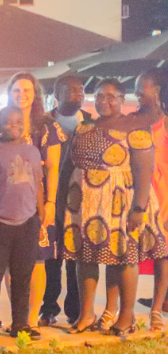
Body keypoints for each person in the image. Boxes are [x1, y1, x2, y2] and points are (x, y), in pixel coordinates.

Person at [64, 79, 168, 336]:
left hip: (121, 203)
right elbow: (69, 164)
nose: (104, 102)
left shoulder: (136, 126)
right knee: (84, 257)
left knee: (125, 257)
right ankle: (86, 314)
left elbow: (143, 171)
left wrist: (138, 208)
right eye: (99, 96)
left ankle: (126, 317)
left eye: (111, 97)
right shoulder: (84, 127)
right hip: (85, 203)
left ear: (123, 99)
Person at [0, 73, 64, 331]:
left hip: (38, 204)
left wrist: (51, 203)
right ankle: (18, 318)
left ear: (35, 94)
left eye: (27, 90)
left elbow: (53, 167)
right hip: (5, 206)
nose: (21, 95)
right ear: (9, 93)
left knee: (37, 262)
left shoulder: (47, 127)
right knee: (12, 264)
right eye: (16, 91)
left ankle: (32, 318)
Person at [0, 106, 45, 342]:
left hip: (27, 223)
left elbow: (38, 185)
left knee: (22, 277)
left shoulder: (33, 151)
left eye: (18, 121)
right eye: (7, 122)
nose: (13, 125)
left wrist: (40, 215)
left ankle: (20, 323)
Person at [42, 75, 91, 327]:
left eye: (81, 90)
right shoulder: (44, 123)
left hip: (80, 203)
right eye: (71, 90)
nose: (78, 94)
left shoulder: (92, 124)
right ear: (57, 95)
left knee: (75, 259)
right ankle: (48, 308)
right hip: (50, 200)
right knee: (50, 257)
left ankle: (75, 309)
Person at [134, 70, 168, 330]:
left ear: (155, 90)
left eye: (140, 88)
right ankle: (126, 310)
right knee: (128, 255)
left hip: (163, 197)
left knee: (162, 255)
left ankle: (157, 309)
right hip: (134, 198)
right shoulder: (131, 121)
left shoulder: (165, 124)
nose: (136, 93)